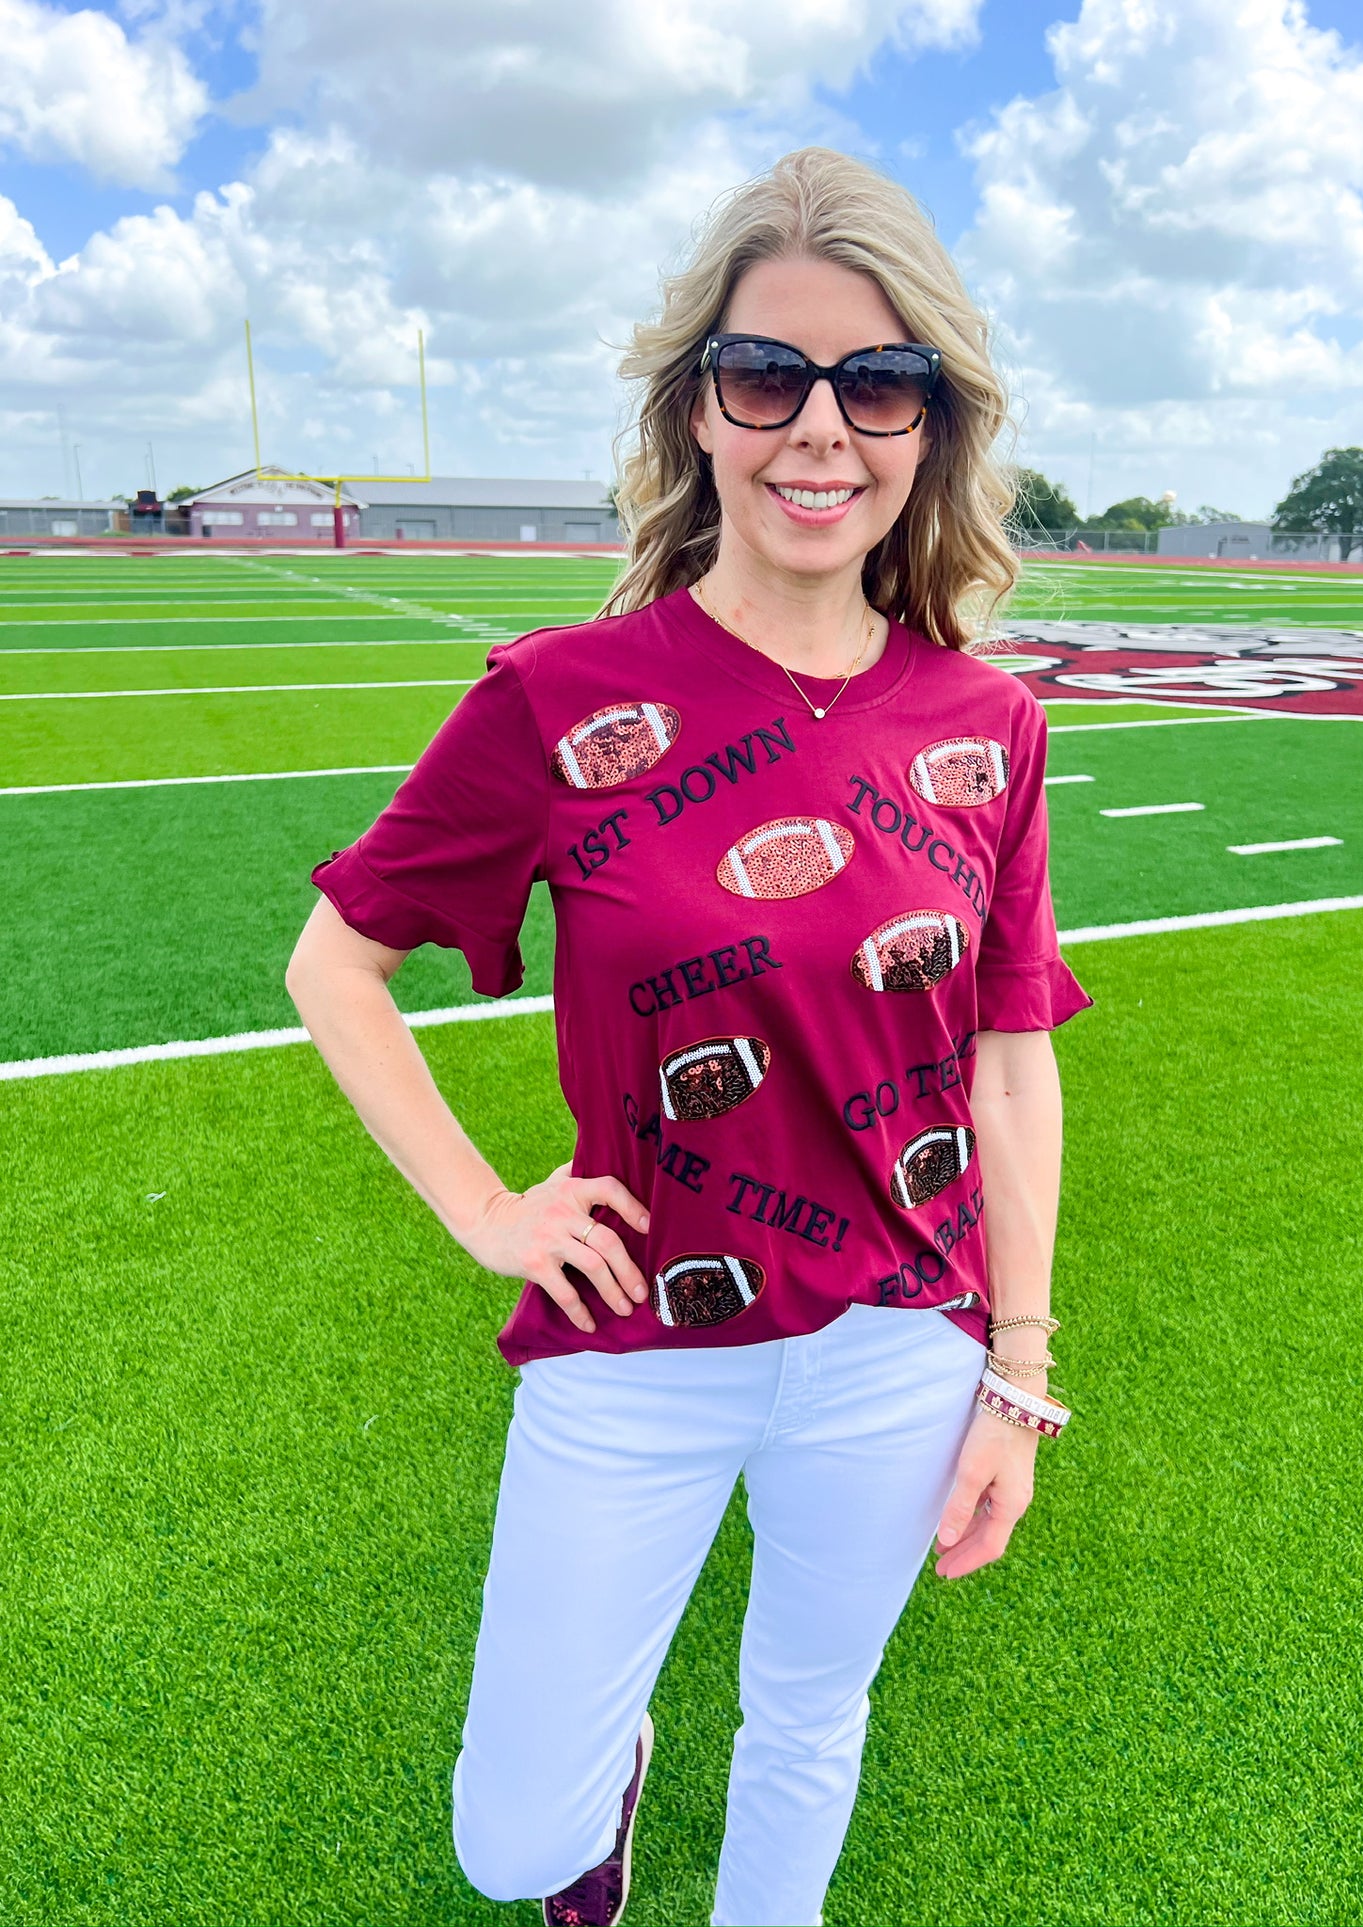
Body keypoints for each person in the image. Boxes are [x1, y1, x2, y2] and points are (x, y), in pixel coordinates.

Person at [286, 145, 1092, 1927]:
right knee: (512, 1843)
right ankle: (611, 1782)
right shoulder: (560, 701)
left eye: (876, 382)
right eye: (767, 377)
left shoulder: (987, 723)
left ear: (931, 424)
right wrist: (490, 1212)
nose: (822, 427)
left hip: (899, 1333)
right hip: (636, 1331)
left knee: (811, 1715)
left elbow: (1010, 1059)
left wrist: (1014, 1375)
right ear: (700, 413)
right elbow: (333, 966)